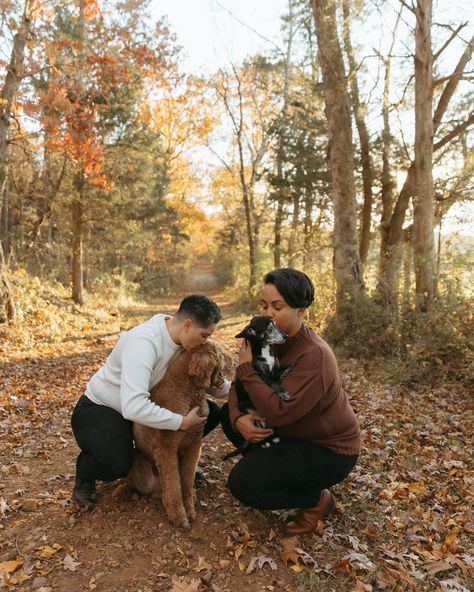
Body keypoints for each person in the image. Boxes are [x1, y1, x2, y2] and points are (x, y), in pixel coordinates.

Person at [220, 268, 361, 535]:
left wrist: (247, 370)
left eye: (277, 306)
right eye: (264, 305)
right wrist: (239, 418)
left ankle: (315, 501)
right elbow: (239, 386)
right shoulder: (265, 338)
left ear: (300, 309)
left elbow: (280, 411)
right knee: (229, 414)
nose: (268, 313)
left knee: (243, 484)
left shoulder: (315, 355)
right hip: (292, 432)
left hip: (328, 449)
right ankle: (276, 471)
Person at [71, 294, 229, 507]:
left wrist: (243, 391)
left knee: (209, 413)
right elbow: (133, 406)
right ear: (188, 325)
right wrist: (181, 422)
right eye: (204, 335)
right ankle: (85, 472)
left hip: (141, 411)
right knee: (115, 463)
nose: (205, 342)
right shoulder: (143, 343)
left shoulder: (184, 341)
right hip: (103, 408)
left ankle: (169, 463)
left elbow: (206, 382)